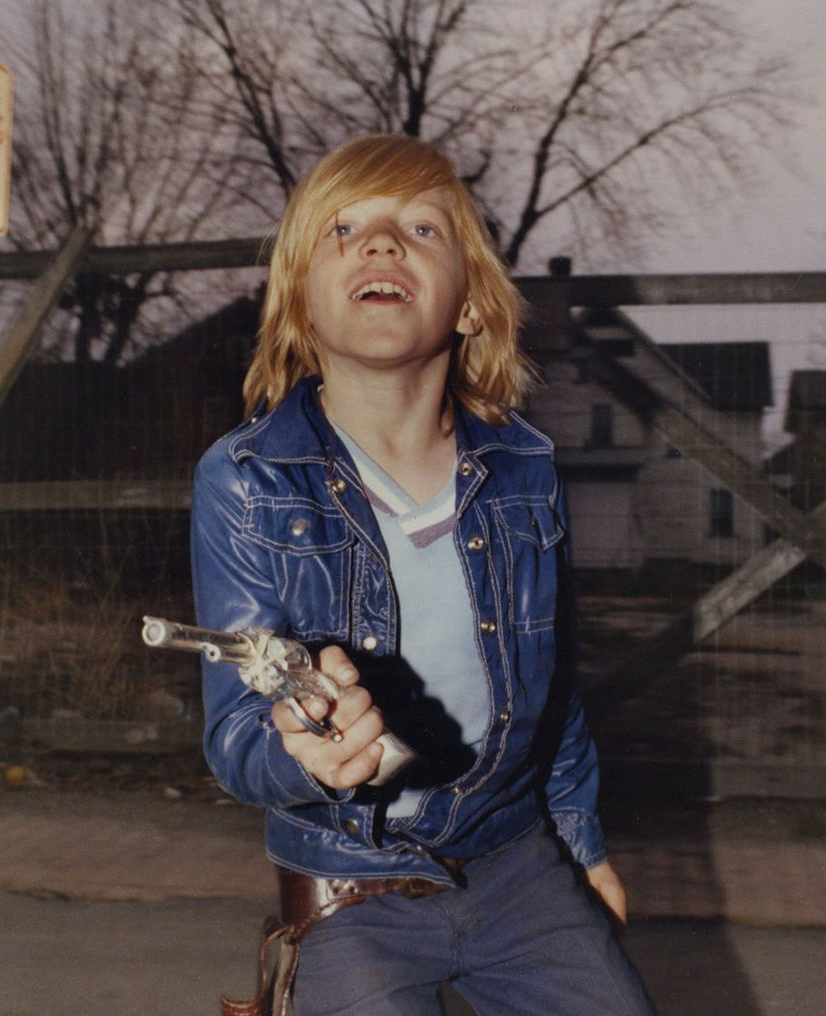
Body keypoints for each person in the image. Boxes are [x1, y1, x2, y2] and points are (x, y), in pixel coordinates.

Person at [191, 133, 654, 1015]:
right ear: (300, 306)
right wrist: (306, 755)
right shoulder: (246, 481)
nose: (380, 243)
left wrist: (584, 846)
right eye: (344, 229)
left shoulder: (525, 470)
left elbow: (555, 696)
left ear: (472, 305)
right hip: (350, 883)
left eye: (421, 228)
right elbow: (238, 739)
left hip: (515, 860)